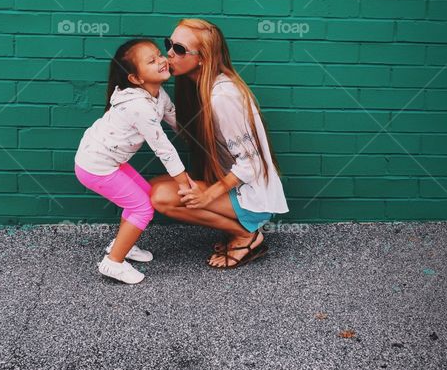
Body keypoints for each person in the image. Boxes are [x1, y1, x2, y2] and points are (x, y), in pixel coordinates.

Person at [149, 18, 289, 268]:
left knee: (161, 197)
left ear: (202, 58)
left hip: (251, 196)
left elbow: (251, 163)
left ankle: (248, 235)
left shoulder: (223, 96)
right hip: (235, 187)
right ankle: (240, 228)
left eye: (179, 49)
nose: (169, 53)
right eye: (169, 43)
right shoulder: (200, 87)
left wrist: (209, 195)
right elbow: (186, 129)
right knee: (154, 186)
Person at [73, 38, 194, 284]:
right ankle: (113, 262)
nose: (162, 60)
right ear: (136, 79)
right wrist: (183, 181)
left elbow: (175, 120)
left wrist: (204, 141)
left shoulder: (157, 95)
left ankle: (123, 246)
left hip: (108, 161)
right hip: (96, 166)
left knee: (143, 196)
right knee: (142, 208)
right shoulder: (139, 106)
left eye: (159, 55)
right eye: (152, 61)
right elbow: (164, 148)